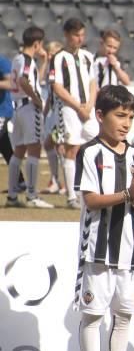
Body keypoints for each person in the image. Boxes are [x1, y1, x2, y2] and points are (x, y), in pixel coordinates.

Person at [74, 85, 134, 351]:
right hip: (98, 248)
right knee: (93, 315)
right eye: (120, 115)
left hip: (128, 250)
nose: (126, 122)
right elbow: (90, 200)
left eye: (131, 116)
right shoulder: (89, 152)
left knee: (124, 314)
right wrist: (128, 194)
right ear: (100, 115)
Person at [50, 18, 98, 209]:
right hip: (69, 109)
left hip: (88, 108)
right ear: (67, 35)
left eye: (82, 35)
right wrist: (79, 107)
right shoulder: (59, 57)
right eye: (76, 35)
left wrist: (89, 106)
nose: (80, 39)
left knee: (96, 142)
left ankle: (87, 188)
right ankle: (71, 196)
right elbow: (57, 87)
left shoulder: (87, 56)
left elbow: (93, 83)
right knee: (72, 148)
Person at [6, 26, 53, 208]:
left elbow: (31, 78)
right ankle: (32, 196)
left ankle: (12, 195)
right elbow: (25, 81)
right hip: (28, 107)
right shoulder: (26, 59)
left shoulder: (18, 59)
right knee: (34, 149)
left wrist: (43, 63)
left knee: (18, 152)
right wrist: (37, 100)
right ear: (37, 43)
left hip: (18, 107)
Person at [42, 40, 64, 195]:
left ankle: (65, 184)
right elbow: (50, 94)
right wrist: (45, 111)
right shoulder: (51, 69)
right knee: (52, 145)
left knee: (59, 147)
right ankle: (56, 180)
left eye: (52, 53)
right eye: (48, 53)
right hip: (55, 114)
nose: (50, 56)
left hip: (63, 115)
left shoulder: (61, 69)